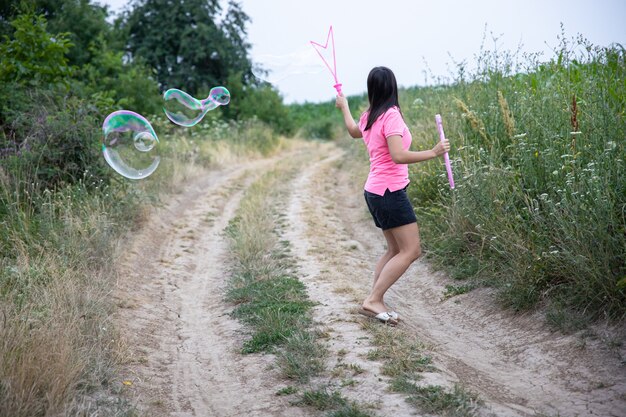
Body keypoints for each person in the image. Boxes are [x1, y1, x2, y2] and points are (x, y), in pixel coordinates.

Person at [335, 66, 450, 326]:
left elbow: (354, 130)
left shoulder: (370, 116)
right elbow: (398, 155)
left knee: (394, 249)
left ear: (372, 89)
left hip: (375, 191)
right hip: (389, 192)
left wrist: (343, 106)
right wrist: (434, 152)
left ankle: (375, 300)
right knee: (411, 250)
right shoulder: (391, 116)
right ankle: (373, 300)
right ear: (392, 87)